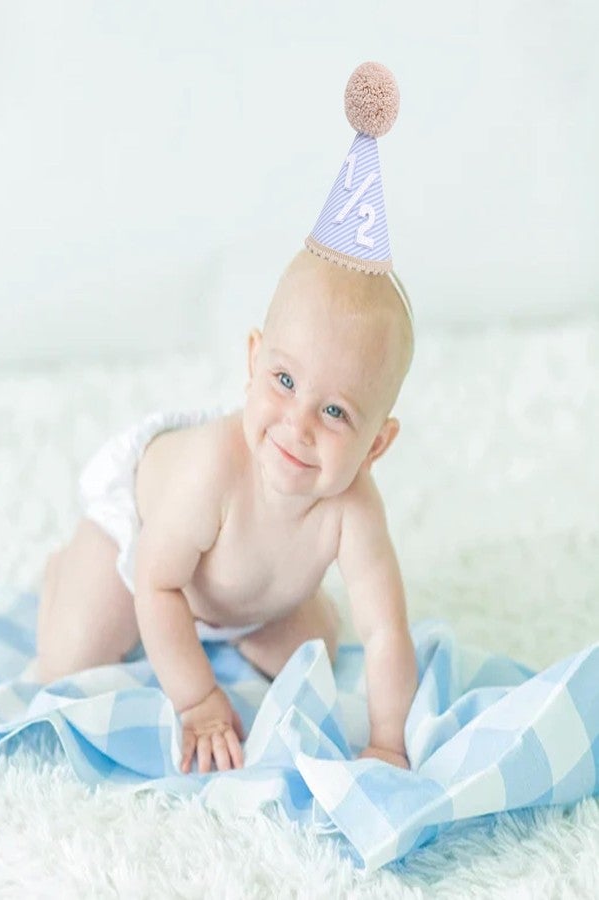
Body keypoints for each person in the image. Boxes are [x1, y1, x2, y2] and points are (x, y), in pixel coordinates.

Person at [36, 61, 420, 775]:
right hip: (146, 547)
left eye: (337, 411)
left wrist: (387, 740)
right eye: (283, 380)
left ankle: (249, 618)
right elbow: (156, 583)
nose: (297, 426)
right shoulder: (213, 468)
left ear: (377, 444)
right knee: (72, 658)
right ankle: (64, 572)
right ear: (252, 361)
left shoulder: (354, 511)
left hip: (247, 596)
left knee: (316, 652)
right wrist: (199, 701)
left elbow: (389, 631)